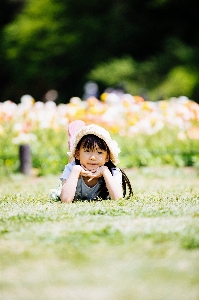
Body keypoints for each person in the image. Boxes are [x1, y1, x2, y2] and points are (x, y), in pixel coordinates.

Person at [50, 121, 133, 202]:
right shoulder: (72, 169)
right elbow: (65, 200)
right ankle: (73, 142)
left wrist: (105, 171)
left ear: (107, 157)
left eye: (99, 152)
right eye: (87, 151)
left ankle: (75, 142)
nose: (93, 157)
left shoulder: (112, 171)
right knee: (73, 162)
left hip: (85, 160)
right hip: (76, 164)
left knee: (79, 160)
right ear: (78, 154)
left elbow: (118, 198)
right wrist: (76, 171)